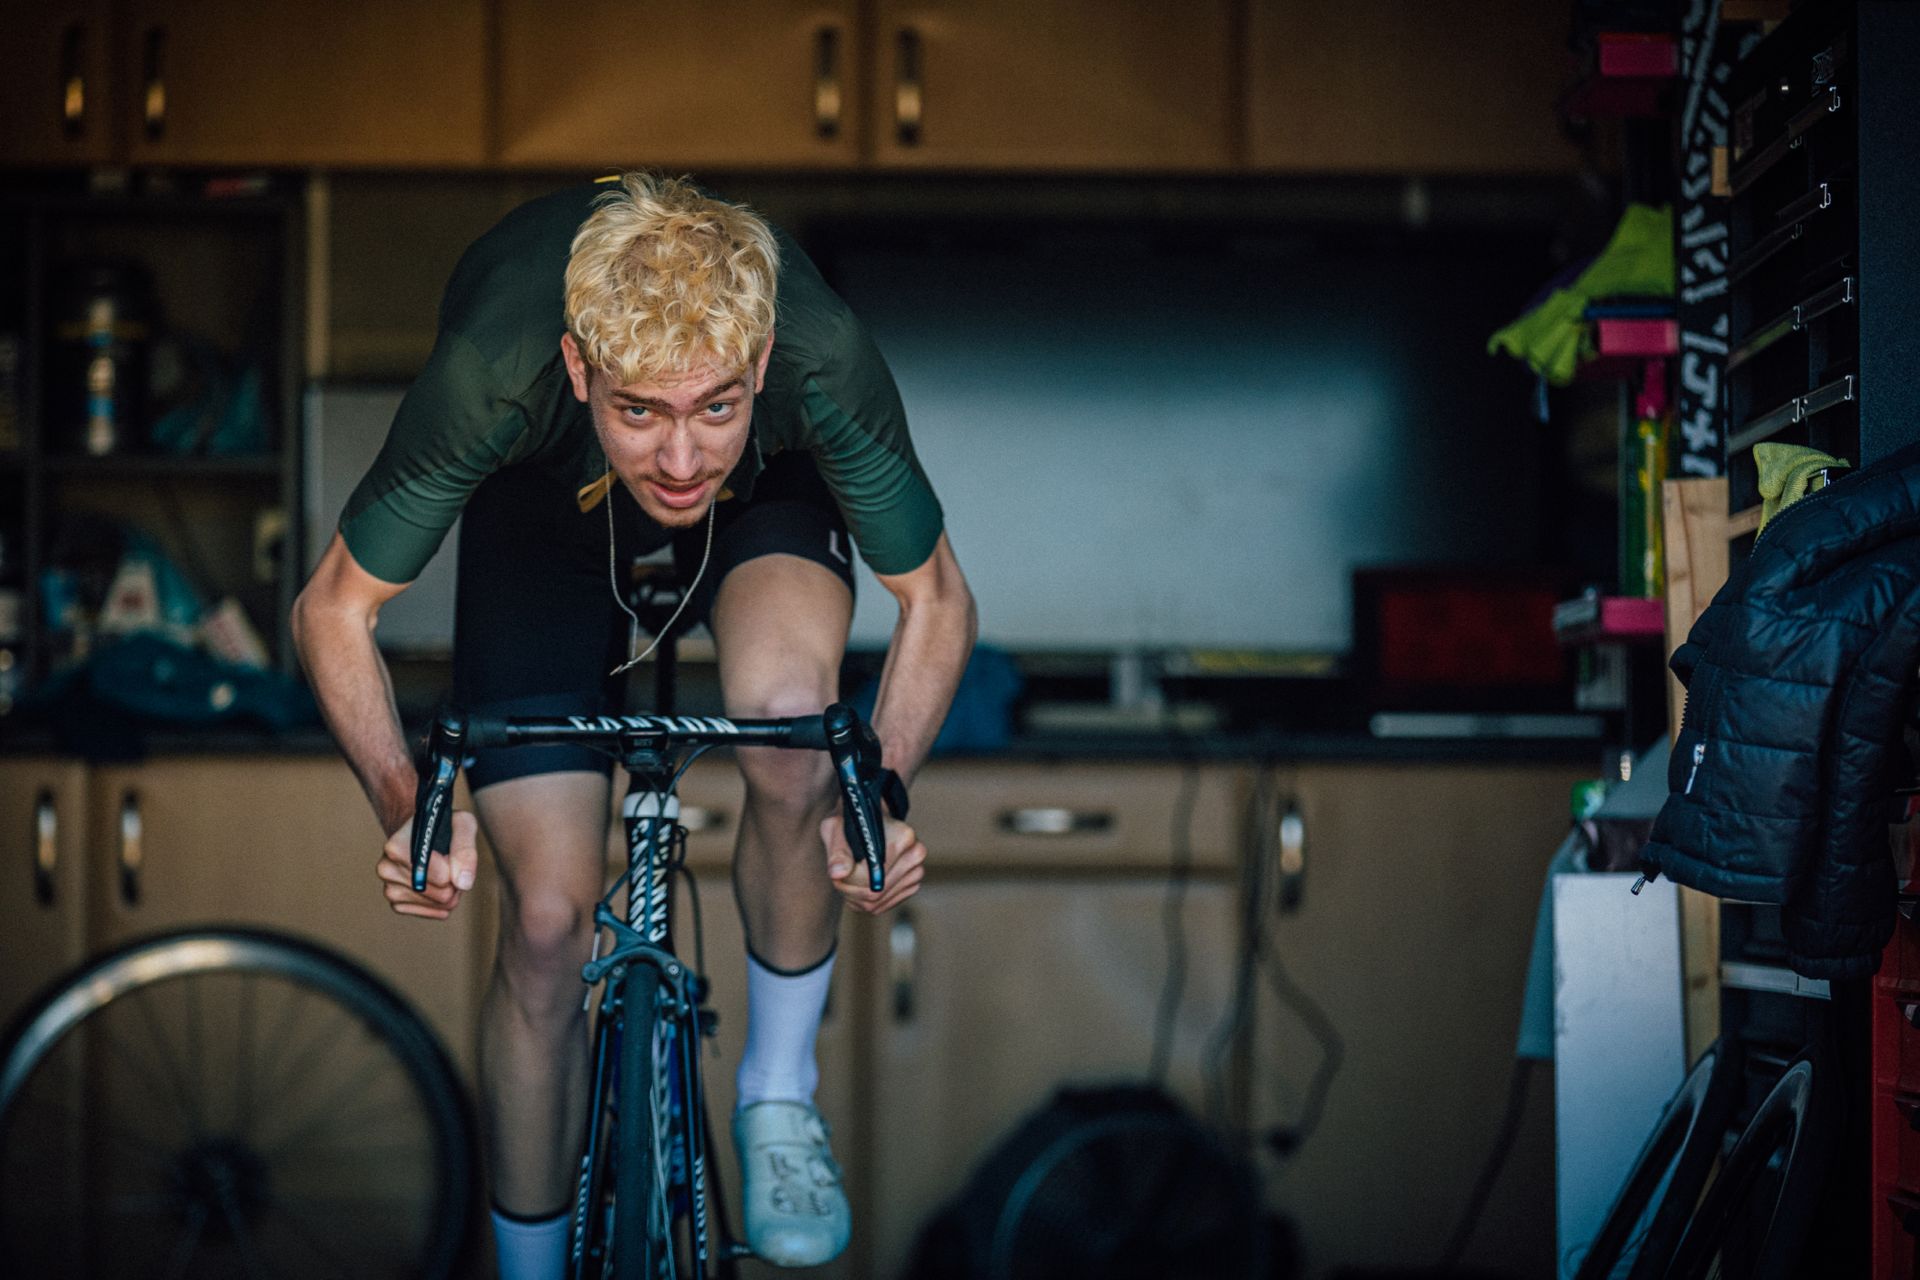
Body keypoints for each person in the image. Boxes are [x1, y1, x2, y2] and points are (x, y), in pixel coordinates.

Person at [293, 173, 976, 1276]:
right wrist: (409, 808)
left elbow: (936, 597)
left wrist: (875, 796)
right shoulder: (496, 375)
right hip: (538, 499)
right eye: (639, 410)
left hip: (775, 494)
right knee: (552, 921)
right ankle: (529, 1265)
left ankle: (778, 1094)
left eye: (714, 404)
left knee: (793, 731)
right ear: (579, 368)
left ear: (757, 366)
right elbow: (334, 605)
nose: (679, 460)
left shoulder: (817, 359)